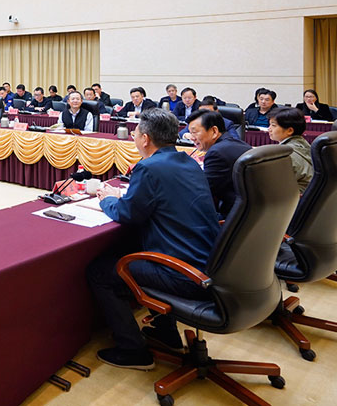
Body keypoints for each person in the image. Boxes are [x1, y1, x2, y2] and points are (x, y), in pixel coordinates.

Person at [87, 109, 220, 369]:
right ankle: (166, 333)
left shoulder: (148, 167)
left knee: (100, 272)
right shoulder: (189, 162)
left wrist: (108, 199)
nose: (134, 138)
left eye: (135, 134)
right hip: (209, 263)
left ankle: (133, 350)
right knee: (136, 250)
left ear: (145, 139)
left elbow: (128, 213)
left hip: (184, 274)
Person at [186, 109, 251, 219]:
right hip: (252, 213)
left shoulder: (216, 153)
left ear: (214, 131)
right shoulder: (237, 143)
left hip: (234, 217)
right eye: (190, 133)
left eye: (195, 132)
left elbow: (201, 191)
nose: (192, 138)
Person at [269, 108, 313, 194]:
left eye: (273, 125)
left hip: (294, 198)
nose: (269, 129)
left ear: (289, 130)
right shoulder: (303, 144)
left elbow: (274, 184)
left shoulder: (285, 155)